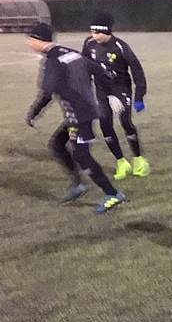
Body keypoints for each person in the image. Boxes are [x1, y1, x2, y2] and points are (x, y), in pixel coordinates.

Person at [24, 22, 128, 213]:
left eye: (30, 39)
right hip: (83, 111)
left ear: (39, 40)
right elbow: (99, 70)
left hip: (79, 115)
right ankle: (78, 183)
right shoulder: (70, 53)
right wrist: (111, 94)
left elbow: (47, 93)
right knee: (57, 144)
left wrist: (34, 113)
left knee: (82, 155)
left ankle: (112, 194)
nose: (28, 43)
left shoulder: (53, 61)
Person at [83, 12, 150, 179]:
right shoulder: (89, 44)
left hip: (121, 89)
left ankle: (139, 159)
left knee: (125, 122)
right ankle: (121, 162)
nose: (94, 36)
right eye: (92, 32)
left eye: (97, 32)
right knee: (105, 125)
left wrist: (139, 96)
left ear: (107, 31)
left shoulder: (120, 46)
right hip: (102, 90)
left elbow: (137, 70)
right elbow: (85, 66)